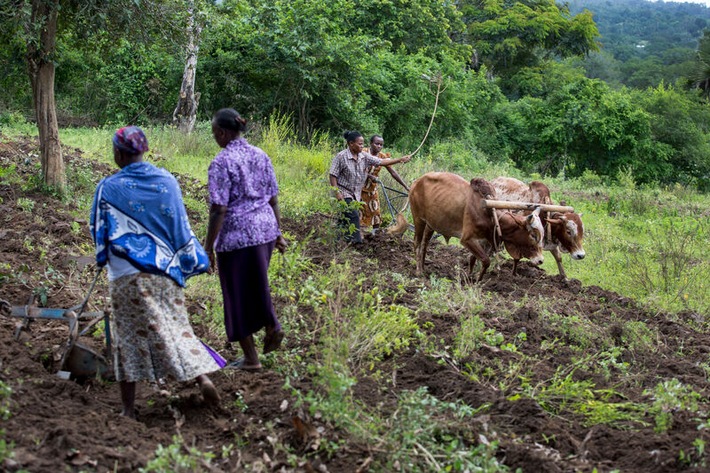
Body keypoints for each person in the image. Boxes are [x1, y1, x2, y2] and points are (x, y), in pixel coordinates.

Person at [90, 126, 220, 419]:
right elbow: (179, 226)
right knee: (175, 328)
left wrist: (102, 257)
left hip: (126, 275)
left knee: (129, 340)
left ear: (119, 153)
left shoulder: (109, 187)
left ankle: (127, 410)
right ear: (143, 150)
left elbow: (99, 227)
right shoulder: (168, 182)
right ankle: (203, 379)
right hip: (167, 271)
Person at [205, 108, 287, 371]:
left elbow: (219, 208)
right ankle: (272, 324)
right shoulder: (261, 155)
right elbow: (273, 198)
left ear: (222, 132)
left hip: (237, 237)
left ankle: (252, 357)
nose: (214, 137)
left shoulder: (222, 161)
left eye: (214, 132)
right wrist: (278, 233)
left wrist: (208, 248)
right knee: (257, 285)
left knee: (236, 295)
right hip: (264, 231)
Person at [329, 131, 411, 244]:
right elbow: (333, 174)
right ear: (351, 144)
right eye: (360, 144)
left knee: (346, 216)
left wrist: (400, 159)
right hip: (345, 190)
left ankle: (337, 239)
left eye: (363, 144)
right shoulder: (341, 156)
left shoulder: (364, 156)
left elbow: (382, 162)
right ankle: (356, 241)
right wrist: (337, 193)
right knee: (354, 215)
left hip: (356, 192)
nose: (362, 147)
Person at [361, 134, 410, 234]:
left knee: (375, 212)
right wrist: (369, 176)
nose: (379, 146)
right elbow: (357, 168)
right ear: (371, 143)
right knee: (360, 212)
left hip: (372, 189)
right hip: (358, 188)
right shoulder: (363, 153)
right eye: (376, 144)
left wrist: (406, 187)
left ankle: (375, 236)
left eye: (381, 145)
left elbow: (393, 173)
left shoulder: (382, 157)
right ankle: (358, 234)